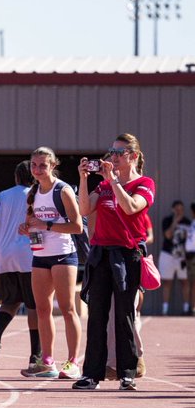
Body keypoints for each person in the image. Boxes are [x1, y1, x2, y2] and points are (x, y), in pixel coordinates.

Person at [72, 134, 155, 391]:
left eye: (119, 152)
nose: (113, 157)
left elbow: (131, 207)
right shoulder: (105, 186)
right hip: (101, 253)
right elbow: (84, 210)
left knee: (125, 314)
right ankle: (91, 374)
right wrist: (84, 180)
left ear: (132, 156)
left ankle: (127, 372)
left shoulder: (144, 183)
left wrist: (114, 182)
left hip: (127, 255)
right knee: (96, 315)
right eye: (112, 151)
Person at [18, 147, 83, 381]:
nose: (37, 169)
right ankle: (47, 360)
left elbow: (77, 227)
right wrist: (25, 228)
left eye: (42, 165)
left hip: (63, 255)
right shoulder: (33, 192)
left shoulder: (62, 190)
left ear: (53, 165)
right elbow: (31, 222)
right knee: (42, 310)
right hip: (40, 255)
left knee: (67, 309)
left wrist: (46, 226)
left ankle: (74, 361)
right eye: (34, 165)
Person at [0, 160, 41, 369]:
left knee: (10, 301)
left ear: (16, 177)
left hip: (5, 254)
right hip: (30, 254)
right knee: (35, 305)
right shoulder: (37, 194)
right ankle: (36, 355)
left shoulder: (3, 195)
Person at [159, 199, 189, 315]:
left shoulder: (187, 222)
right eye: (177, 210)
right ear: (173, 210)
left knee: (185, 281)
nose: (179, 212)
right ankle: (165, 309)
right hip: (168, 254)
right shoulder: (167, 220)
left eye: (181, 210)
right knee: (167, 282)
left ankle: (186, 309)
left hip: (182, 256)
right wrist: (175, 221)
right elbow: (168, 235)